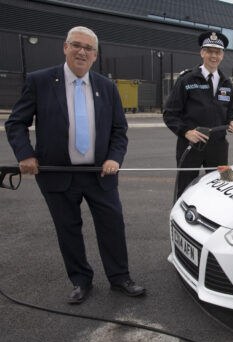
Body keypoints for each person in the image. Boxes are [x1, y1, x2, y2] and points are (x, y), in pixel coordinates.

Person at [5, 26, 145, 304]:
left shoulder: (106, 87)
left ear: (95, 55)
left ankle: (119, 278)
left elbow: (119, 129)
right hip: (57, 174)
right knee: (67, 228)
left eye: (89, 48)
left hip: (100, 174)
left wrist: (114, 158)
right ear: (65, 47)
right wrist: (25, 154)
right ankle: (81, 280)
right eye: (77, 45)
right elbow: (16, 122)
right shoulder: (40, 81)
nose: (82, 52)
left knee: (112, 225)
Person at [163, 30, 233, 199]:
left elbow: (231, 114)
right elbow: (170, 114)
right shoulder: (187, 79)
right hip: (191, 145)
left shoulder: (228, 83)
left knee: (222, 186)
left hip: (218, 146)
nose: (214, 56)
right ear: (202, 53)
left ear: (222, 55)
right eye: (210, 51)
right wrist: (186, 132)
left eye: (218, 52)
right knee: (185, 189)